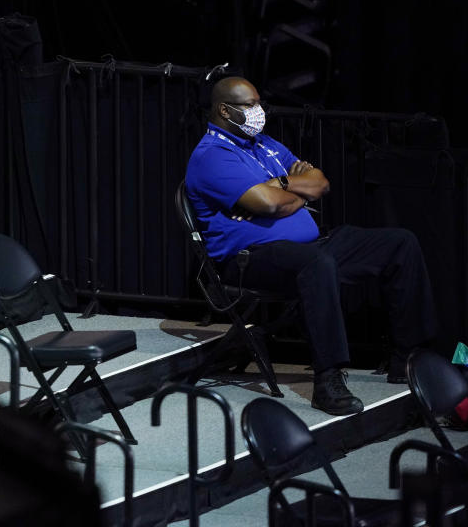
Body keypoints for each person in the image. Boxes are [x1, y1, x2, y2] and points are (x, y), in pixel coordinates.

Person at [185, 76, 438, 415]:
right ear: (223, 110)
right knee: (315, 264)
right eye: (249, 105)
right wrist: (295, 194)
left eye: (259, 103)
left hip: (311, 245)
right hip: (250, 260)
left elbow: (320, 182)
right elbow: (269, 204)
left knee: (399, 243)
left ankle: (407, 358)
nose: (258, 111)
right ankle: (328, 380)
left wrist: (285, 183)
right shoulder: (212, 156)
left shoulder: (265, 145)